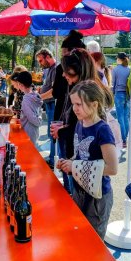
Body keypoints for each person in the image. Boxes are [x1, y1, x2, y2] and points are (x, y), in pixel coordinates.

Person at [57, 80, 117, 261]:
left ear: (94, 104)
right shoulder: (81, 124)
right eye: (73, 104)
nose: (74, 109)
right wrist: (68, 162)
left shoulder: (103, 130)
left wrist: (75, 166)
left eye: (79, 104)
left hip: (98, 198)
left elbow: (112, 167)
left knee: (94, 246)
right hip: (81, 192)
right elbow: (79, 155)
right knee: (80, 241)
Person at [51, 30, 86, 192]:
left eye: (67, 73)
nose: (64, 75)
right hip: (71, 140)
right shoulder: (76, 85)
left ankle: (70, 193)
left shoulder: (83, 92)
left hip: (77, 150)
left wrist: (63, 130)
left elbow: (80, 125)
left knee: (74, 185)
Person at [36, 48, 58, 166]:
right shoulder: (50, 69)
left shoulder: (55, 69)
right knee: (51, 133)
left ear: (48, 57)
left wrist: (39, 97)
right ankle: (52, 158)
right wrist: (41, 90)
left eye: (41, 60)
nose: (40, 63)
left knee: (53, 133)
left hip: (53, 104)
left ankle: (53, 160)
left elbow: (54, 91)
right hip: (49, 104)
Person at [11, 71, 42, 145]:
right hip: (34, 130)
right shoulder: (35, 95)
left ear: (20, 84)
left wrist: (38, 121)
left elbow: (31, 117)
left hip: (28, 131)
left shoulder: (26, 99)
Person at [112, 52, 131, 147]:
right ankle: (125, 138)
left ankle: (123, 140)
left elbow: (113, 84)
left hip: (119, 94)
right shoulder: (129, 69)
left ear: (119, 59)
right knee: (126, 117)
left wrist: (112, 94)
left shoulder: (115, 69)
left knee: (120, 118)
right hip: (128, 95)